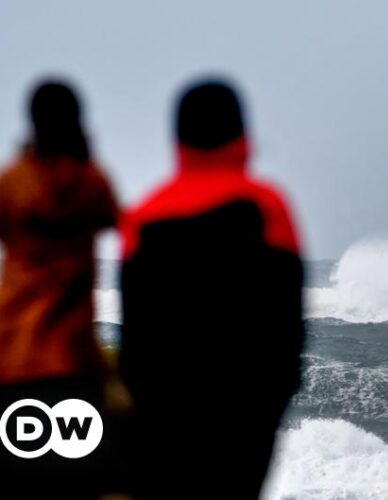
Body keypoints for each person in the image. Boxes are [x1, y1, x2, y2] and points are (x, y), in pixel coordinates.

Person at [119, 79, 305, 499]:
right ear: (242, 134)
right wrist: (273, 401)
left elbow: (136, 341)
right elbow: (287, 321)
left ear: (178, 138)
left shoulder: (143, 218)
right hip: (245, 415)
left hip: (164, 416)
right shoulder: (266, 207)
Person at [0, 80, 119, 497]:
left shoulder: (13, 182)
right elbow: (110, 216)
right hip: (72, 359)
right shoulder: (90, 180)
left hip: (14, 357)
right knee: (75, 483)